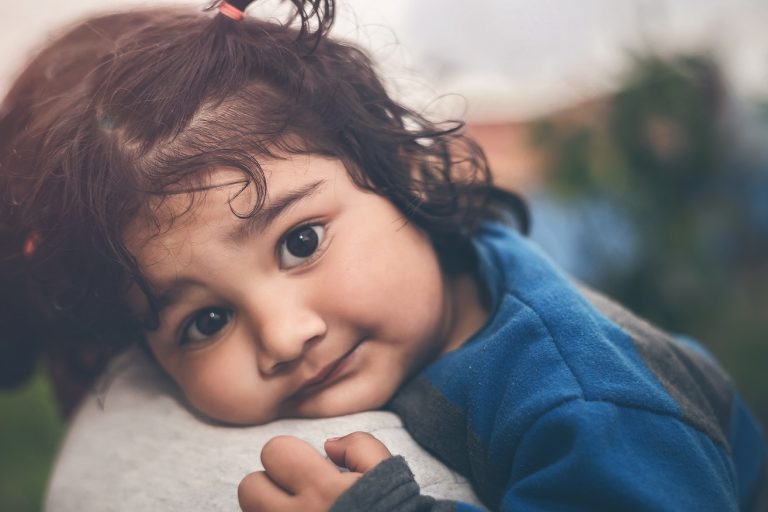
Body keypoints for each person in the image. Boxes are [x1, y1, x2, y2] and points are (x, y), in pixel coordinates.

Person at [1, 0, 765, 511]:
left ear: (401, 177)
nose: (284, 335)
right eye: (204, 321)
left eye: (300, 242)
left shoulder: (587, 402)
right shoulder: (421, 297)